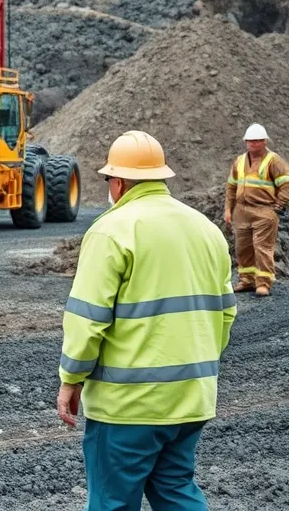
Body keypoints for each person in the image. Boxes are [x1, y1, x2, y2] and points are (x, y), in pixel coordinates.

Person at [57, 130, 237, 511]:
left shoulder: (112, 230)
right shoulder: (206, 230)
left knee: (112, 501)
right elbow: (225, 313)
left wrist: (71, 379)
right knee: (175, 490)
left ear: (117, 182)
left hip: (128, 407)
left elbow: (87, 321)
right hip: (191, 399)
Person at [224, 123, 289, 297]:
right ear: (246, 142)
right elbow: (231, 186)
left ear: (265, 141)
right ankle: (246, 280)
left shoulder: (274, 161)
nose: (254, 144)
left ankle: (263, 283)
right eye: (251, 141)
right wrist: (228, 209)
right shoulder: (239, 161)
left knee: (262, 248)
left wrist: (278, 205)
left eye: (258, 141)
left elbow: (286, 184)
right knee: (242, 248)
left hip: (264, 211)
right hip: (242, 211)